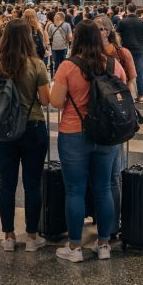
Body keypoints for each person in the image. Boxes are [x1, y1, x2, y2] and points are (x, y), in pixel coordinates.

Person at [49, 20, 126, 263]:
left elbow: (56, 102)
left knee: (75, 190)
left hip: (73, 134)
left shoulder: (67, 67)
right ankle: (103, 243)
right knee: (103, 189)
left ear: (77, 39)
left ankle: (74, 247)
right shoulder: (113, 64)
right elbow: (125, 96)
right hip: (106, 136)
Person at [0, 19, 50, 252]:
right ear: (28, 38)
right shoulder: (37, 64)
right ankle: (32, 236)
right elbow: (46, 100)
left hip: (2, 131)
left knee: (6, 184)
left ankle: (9, 236)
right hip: (32, 127)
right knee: (32, 183)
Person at [94, 14, 135, 238]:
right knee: (102, 176)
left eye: (101, 29)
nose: (98, 32)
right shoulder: (88, 56)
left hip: (115, 118)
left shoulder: (121, 54)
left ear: (108, 31)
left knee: (112, 176)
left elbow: (131, 80)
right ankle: (101, 216)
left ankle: (112, 224)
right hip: (96, 120)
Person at [116, 4, 143, 103]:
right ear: (136, 10)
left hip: (125, 51)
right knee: (139, 74)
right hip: (139, 50)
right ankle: (140, 96)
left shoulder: (122, 22)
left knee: (126, 74)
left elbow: (117, 35)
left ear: (127, 10)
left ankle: (129, 95)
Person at [46, 11, 73, 76]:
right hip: (63, 46)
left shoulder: (51, 26)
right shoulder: (67, 25)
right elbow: (70, 37)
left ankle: (57, 75)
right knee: (62, 61)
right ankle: (63, 75)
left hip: (54, 47)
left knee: (56, 62)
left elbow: (49, 36)